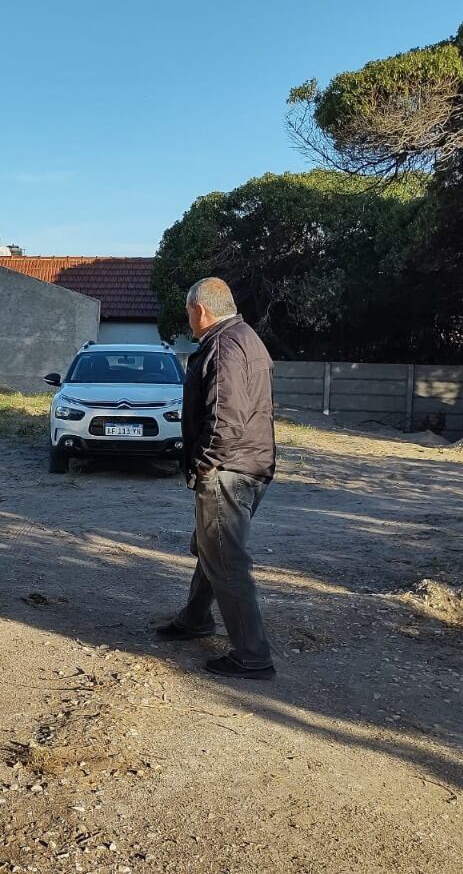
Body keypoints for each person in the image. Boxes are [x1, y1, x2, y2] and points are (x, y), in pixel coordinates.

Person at [156, 277, 277, 679]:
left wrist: (205, 464)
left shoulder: (224, 345)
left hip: (229, 470)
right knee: (212, 548)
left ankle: (252, 655)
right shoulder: (245, 337)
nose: (188, 319)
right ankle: (194, 619)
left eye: (188, 312)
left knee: (226, 559)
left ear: (200, 310)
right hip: (249, 465)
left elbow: (226, 417)